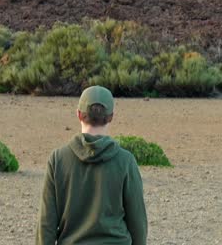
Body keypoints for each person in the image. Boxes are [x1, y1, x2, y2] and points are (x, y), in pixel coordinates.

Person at [37, 85, 148, 245]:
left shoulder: (57, 159)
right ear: (111, 117)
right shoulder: (126, 161)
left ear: (79, 114)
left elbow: (46, 223)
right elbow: (138, 222)